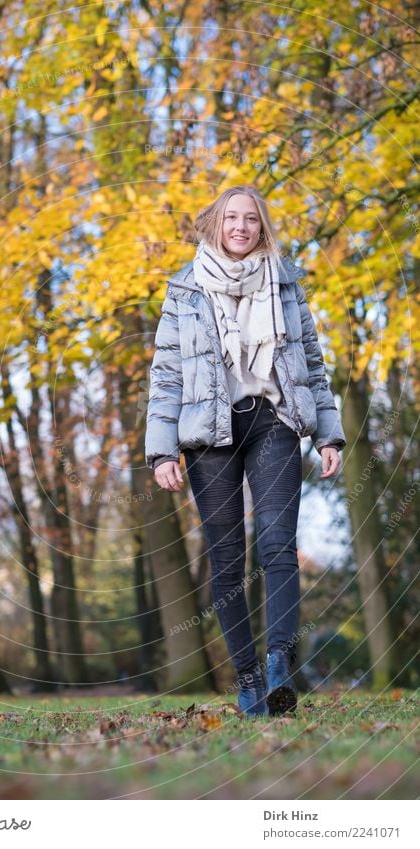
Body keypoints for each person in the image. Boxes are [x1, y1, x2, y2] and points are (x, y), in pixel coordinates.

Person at [144, 186, 346, 717]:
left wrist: (328, 432)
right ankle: (250, 680)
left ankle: (280, 663)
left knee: (278, 546)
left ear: (262, 227)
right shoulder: (185, 289)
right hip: (209, 433)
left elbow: (312, 363)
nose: (240, 226)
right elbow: (166, 376)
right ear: (215, 225)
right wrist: (162, 451)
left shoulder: (286, 281)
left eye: (250, 218)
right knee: (228, 561)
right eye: (231, 217)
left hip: (273, 421)